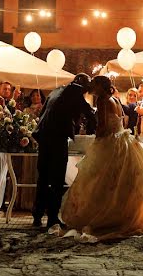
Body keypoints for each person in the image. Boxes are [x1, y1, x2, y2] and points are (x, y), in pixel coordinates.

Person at [60, 75, 143, 239]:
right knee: (122, 180)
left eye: (94, 85)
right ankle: (126, 214)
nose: (92, 89)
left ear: (99, 87)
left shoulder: (103, 101)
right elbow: (123, 120)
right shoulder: (115, 100)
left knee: (103, 180)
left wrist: (97, 140)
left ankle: (106, 216)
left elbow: (102, 125)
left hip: (110, 140)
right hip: (123, 139)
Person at [33, 73, 96, 229]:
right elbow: (88, 112)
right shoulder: (75, 90)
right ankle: (53, 218)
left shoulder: (57, 90)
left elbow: (42, 114)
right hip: (57, 138)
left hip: (43, 137)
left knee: (43, 178)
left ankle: (37, 215)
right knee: (57, 179)